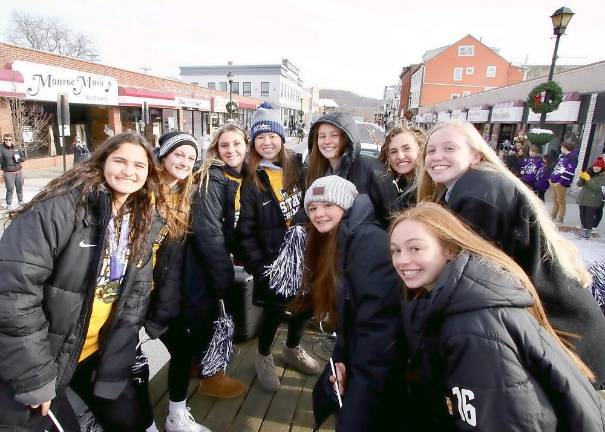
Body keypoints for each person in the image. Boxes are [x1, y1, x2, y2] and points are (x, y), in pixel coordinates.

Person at [416, 119, 605, 386]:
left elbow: (469, 281)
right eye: (431, 150)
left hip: (567, 341)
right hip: (567, 333)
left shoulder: (478, 193)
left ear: (476, 154)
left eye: (449, 148)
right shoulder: (473, 186)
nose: (437, 157)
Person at [0, 132, 164, 431]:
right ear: (102, 162)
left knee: (130, 419)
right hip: (42, 356)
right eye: (120, 161)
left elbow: (135, 298)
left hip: (92, 354)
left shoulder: (139, 219)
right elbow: (13, 294)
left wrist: (115, 363)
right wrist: (34, 377)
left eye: (140, 165)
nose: (129, 171)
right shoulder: (62, 208)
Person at [390, 202, 605, 431]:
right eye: (396, 250)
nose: (402, 260)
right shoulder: (467, 298)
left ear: (450, 249)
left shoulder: (472, 327)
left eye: (415, 248)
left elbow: (506, 421)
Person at [293, 176, 403, 431]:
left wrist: (360, 393)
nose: (318, 214)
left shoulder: (368, 242)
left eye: (328, 205)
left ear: (346, 204)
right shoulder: (340, 237)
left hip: (377, 366)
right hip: (357, 354)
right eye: (312, 208)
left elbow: (378, 328)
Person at [234, 103, 321, 392]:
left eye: (272, 136)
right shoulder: (252, 180)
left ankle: (292, 348)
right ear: (253, 142)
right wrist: (262, 269)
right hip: (273, 264)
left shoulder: (300, 166)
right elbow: (244, 234)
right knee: (273, 312)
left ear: (282, 138)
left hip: (307, 258)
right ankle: (263, 356)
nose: (267, 142)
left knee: (305, 307)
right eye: (260, 137)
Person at [140, 132, 212, 432]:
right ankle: (142, 424)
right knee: (127, 363)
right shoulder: (142, 191)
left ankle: (176, 415)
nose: (184, 162)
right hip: (129, 291)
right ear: (164, 156)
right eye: (178, 154)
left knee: (182, 349)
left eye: (191, 158)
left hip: (164, 292)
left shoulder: (187, 196)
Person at [182, 124, 249, 400]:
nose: (231, 150)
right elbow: (207, 229)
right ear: (216, 149)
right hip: (201, 262)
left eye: (236, 144)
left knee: (205, 318)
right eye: (224, 145)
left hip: (211, 260)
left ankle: (197, 366)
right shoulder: (215, 176)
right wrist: (222, 273)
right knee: (211, 318)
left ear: (246, 146)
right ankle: (211, 378)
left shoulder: (237, 176)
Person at [305, 112, 391, 227]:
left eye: (334, 135)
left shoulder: (371, 168)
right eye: (322, 136)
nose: (327, 141)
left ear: (347, 137)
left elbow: (390, 215)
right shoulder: (315, 172)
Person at [378, 125, 425, 213]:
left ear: (420, 149)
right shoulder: (394, 185)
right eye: (393, 151)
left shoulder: (427, 188)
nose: (400, 156)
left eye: (407, 149)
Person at [576, 156, 605, 240]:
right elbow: (579, 184)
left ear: (602, 167)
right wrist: (582, 179)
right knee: (582, 216)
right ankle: (583, 231)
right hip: (583, 197)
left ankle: (587, 234)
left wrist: (588, 180)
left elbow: (597, 188)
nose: (596, 168)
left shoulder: (603, 177)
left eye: (598, 166)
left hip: (593, 199)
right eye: (595, 166)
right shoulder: (589, 172)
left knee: (589, 217)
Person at [550, 141, 579, 223]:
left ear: (566, 148)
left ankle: (560, 218)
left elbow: (570, 171)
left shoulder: (572, 157)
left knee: (561, 201)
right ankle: (553, 215)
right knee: (555, 199)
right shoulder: (563, 156)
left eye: (562, 147)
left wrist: (561, 181)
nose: (560, 148)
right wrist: (551, 177)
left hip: (561, 182)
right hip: (554, 180)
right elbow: (558, 167)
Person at [0, 133, 26, 209]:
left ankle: (20, 200)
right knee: (10, 188)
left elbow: (23, 157)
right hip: (8, 172)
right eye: (6, 140)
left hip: (18, 171)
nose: (8, 141)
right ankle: (9, 203)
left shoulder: (17, 147)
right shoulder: (1, 148)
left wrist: (19, 159)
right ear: (3, 140)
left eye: (9, 140)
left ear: (12, 140)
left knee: (19, 187)